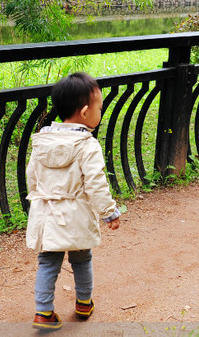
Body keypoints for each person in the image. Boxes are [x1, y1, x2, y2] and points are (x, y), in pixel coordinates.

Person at [26, 72, 121, 331]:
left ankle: (43, 312)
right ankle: (83, 303)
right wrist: (109, 212)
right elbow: (96, 183)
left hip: (47, 213)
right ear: (85, 112)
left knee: (47, 262)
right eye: (99, 108)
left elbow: (31, 176)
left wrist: (39, 200)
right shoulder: (87, 145)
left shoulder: (42, 140)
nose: (100, 112)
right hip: (76, 214)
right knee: (82, 259)